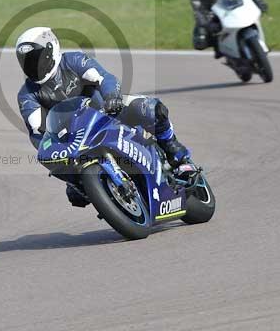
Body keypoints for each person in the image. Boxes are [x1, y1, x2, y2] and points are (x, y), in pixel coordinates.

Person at [15, 27, 193, 207]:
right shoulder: (27, 94)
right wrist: (51, 150)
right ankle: (79, 182)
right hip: (73, 138)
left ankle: (172, 148)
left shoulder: (73, 60)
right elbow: (36, 130)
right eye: (26, 61)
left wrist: (111, 97)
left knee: (150, 109)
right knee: (49, 159)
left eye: (35, 58)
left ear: (50, 49)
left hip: (107, 112)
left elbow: (104, 78)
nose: (32, 65)